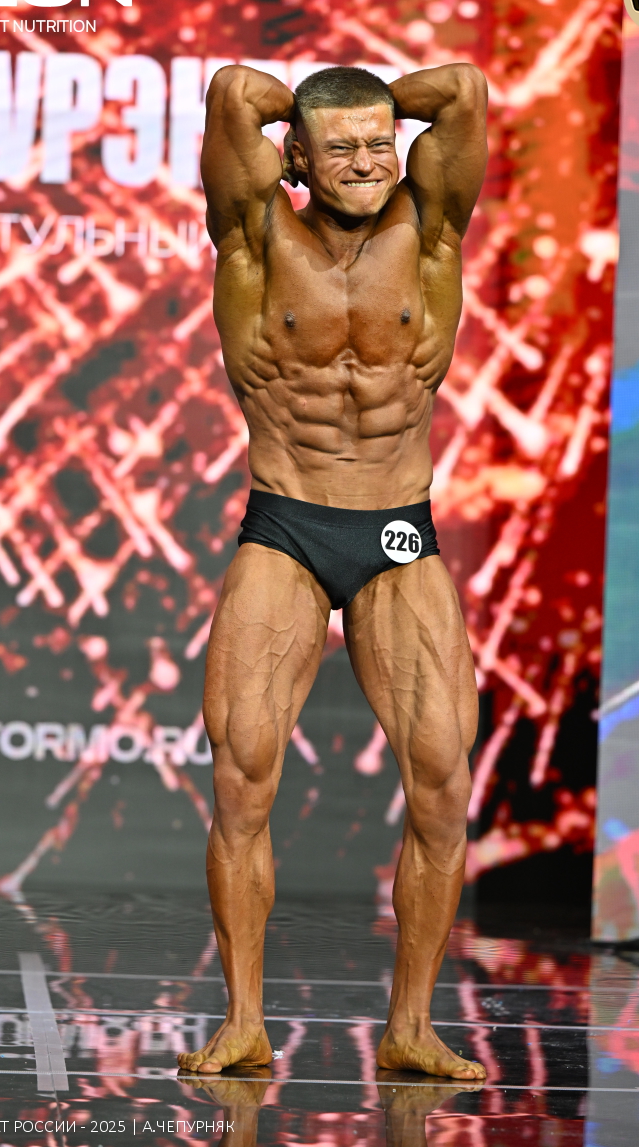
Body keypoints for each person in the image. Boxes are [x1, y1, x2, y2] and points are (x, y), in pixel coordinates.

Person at [177, 61, 488, 1080]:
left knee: (441, 782)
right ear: (295, 160)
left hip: (397, 531)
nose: (365, 162)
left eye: (379, 144)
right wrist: (314, 121)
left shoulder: (429, 232)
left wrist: (368, 115)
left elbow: (462, 91)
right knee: (242, 778)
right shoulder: (252, 236)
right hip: (288, 526)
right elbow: (236, 93)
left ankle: (411, 1027)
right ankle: (243, 1021)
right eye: (339, 148)